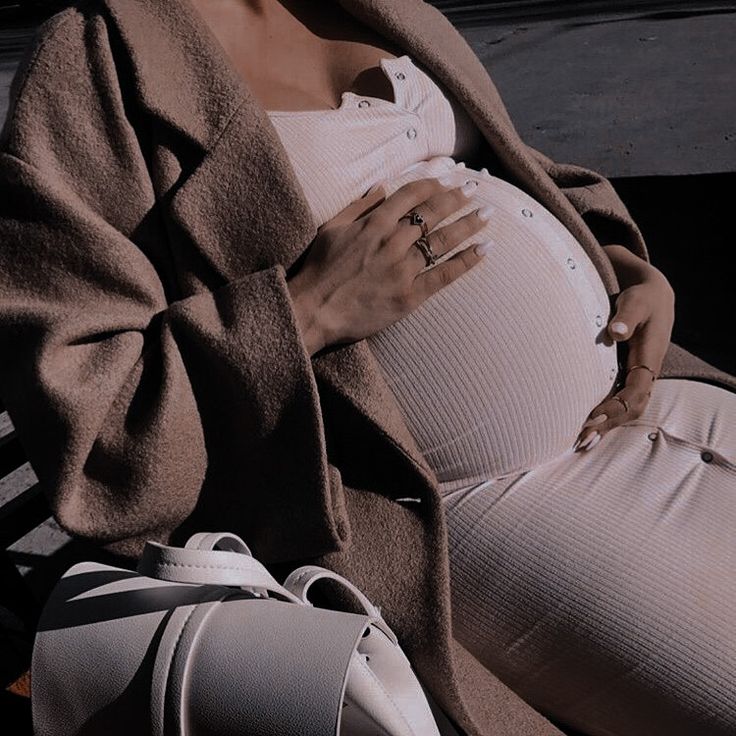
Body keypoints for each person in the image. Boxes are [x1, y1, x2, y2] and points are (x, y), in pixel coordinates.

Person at [0, 1, 733, 735]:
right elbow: (95, 440)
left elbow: (500, 162)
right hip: (473, 506)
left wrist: (616, 258)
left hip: (654, 397)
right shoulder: (94, 65)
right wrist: (306, 310)